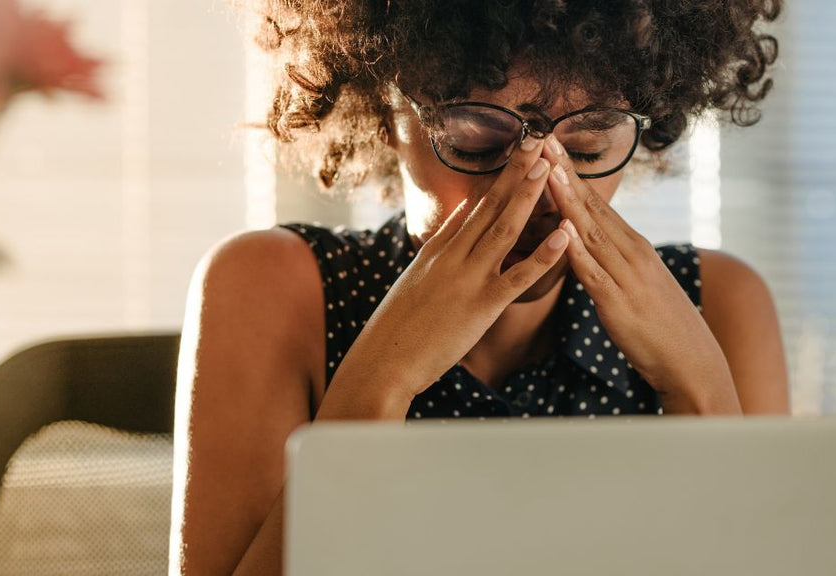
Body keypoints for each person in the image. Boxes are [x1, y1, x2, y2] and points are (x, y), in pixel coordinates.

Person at [171, 0, 789, 574]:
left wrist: (699, 388)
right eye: (477, 139)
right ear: (388, 116)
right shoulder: (273, 287)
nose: (541, 189)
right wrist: (382, 379)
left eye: (590, 143)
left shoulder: (720, 303)